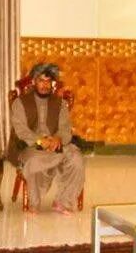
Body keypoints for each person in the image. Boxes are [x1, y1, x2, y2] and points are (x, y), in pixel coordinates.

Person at [9, 62, 85, 215]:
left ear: (52, 83)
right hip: (30, 145)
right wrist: (40, 141)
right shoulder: (20, 102)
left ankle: (63, 201)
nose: (44, 85)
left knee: (76, 157)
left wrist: (58, 138)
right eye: (41, 81)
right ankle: (34, 202)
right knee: (34, 161)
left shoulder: (60, 103)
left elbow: (65, 127)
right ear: (34, 82)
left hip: (56, 144)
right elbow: (21, 130)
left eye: (48, 81)